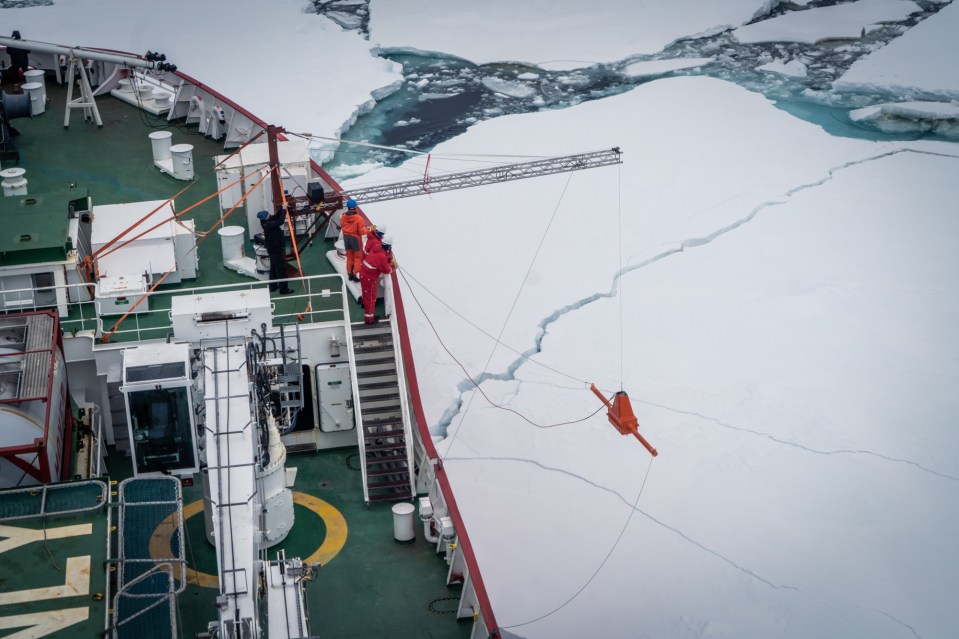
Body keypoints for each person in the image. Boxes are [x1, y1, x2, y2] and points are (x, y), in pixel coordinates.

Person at [359, 234, 394, 324]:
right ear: (388, 246)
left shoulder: (377, 247)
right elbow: (386, 270)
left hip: (364, 274)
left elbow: (379, 260)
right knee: (371, 298)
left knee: (366, 295)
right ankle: (369, 319)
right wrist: (393, 266)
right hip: (369, 278)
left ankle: (366, 307)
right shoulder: (381, 256)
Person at [257, 209, 294, 294]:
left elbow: (276, 216)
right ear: (266, 217)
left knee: (273, 268)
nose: (270, 215)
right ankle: (284, 289)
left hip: (273, 249)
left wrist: (282, 208)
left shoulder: (266, 221)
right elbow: (280, 221)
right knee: (281, 269)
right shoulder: (268, 224)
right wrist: (284, 210)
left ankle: (272, 286)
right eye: (268, 215)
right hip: (275, 250)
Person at [340, 198, 366, 282]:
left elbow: (343, 226)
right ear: (355, 207)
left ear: (347, 207)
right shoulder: (359, 218)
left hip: (346, 237)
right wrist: (369, 230)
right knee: (358, 257)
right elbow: (361, 231)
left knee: (349, 256)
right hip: (355, 238)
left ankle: (349, 274)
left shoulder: (343, 217)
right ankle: (356, 275)